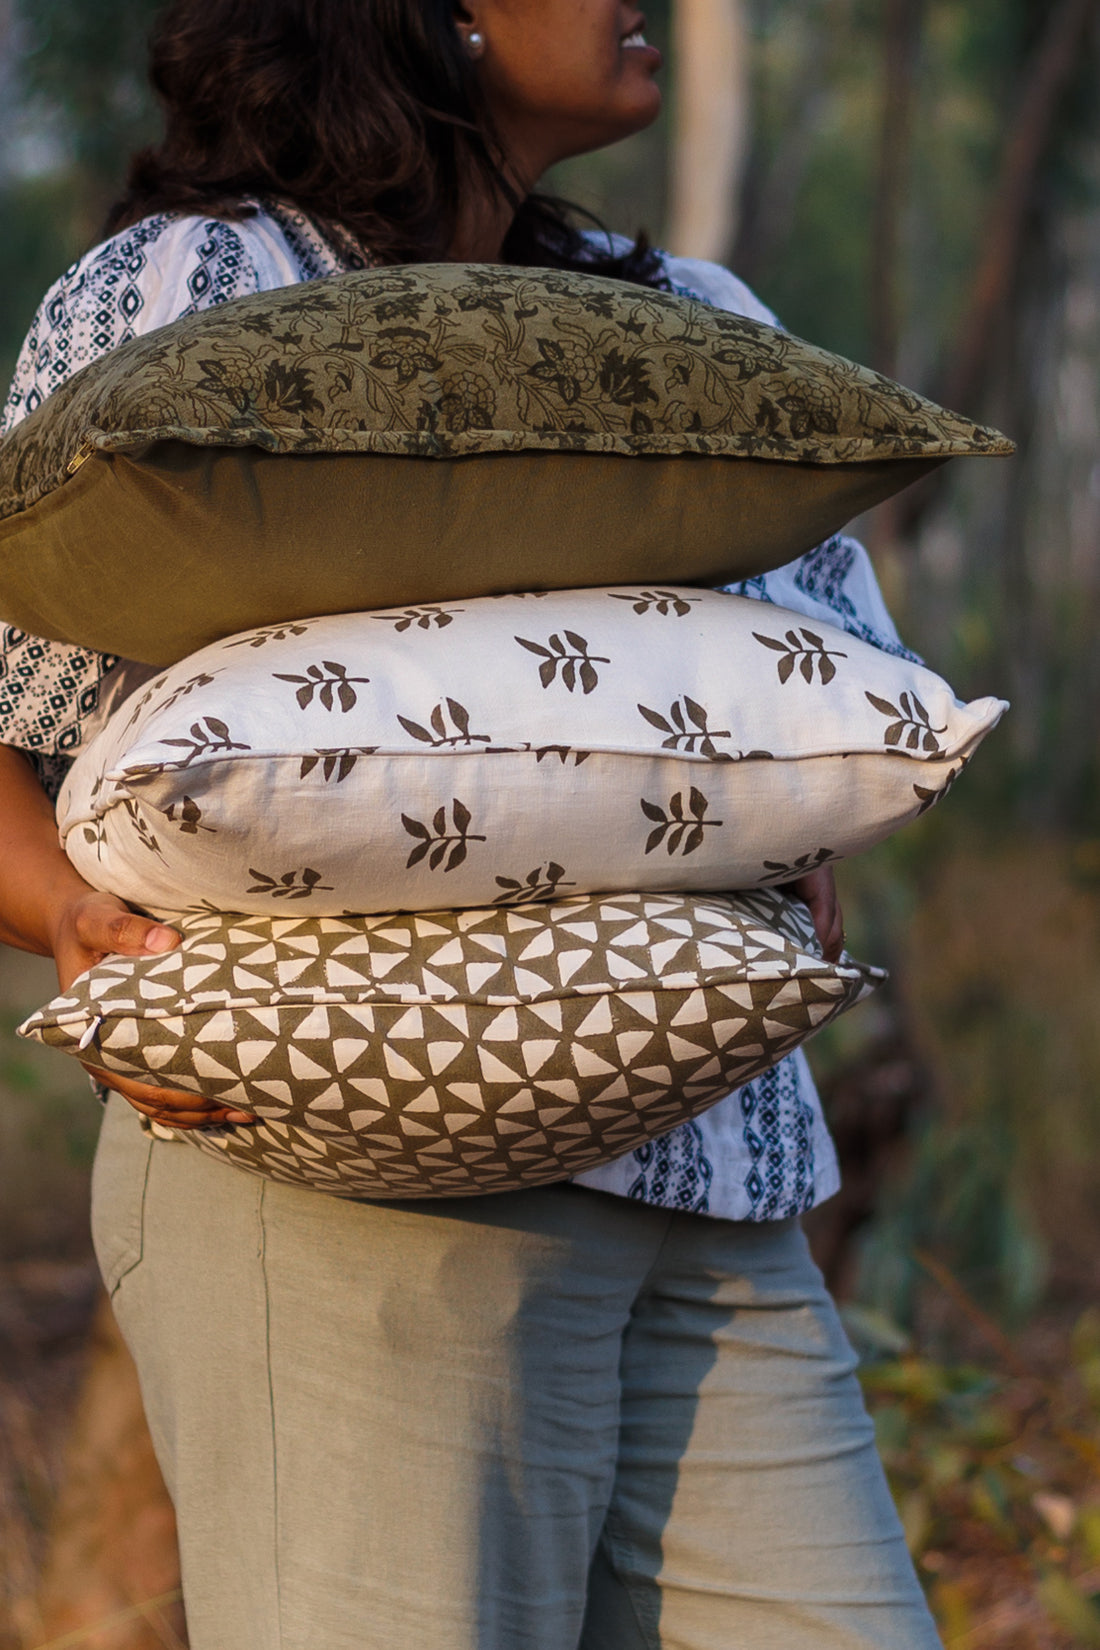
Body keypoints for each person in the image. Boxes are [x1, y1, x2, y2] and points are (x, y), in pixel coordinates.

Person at [0, 3, 943, 1646]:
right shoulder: (204, 293)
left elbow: (830, 696)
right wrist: (84, 928)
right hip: (349, 1190)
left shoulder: (697, 324)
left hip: (720, 1194)